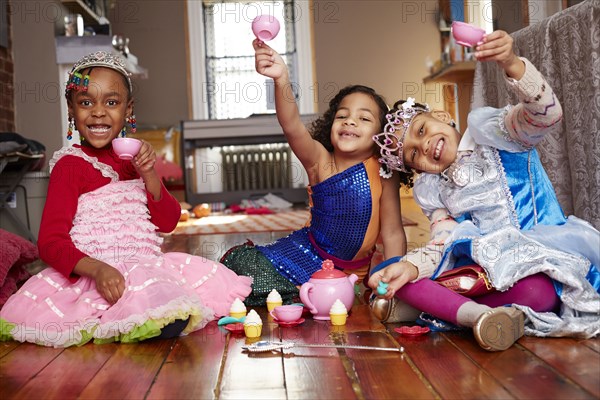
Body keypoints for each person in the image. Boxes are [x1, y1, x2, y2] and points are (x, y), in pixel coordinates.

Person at [0, 51, 252, 347]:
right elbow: (50, 243)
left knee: (175, 310)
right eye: (85, 102)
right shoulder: (70, 166)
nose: (98, 112)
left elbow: (168, 221)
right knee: (150, 316)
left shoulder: (133, 161)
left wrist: (149, 173)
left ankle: (135, 319)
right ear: (71, 110)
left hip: (144, 266)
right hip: (94, 273)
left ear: (128, 109)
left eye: (111, 102)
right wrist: (98, 270)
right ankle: (115, 320)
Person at [368, 30, 600, 351]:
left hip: (540, 259)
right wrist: (410, 267)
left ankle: (437, 307)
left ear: (442, 116)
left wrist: (512, 63)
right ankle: (479, 316)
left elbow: (547, 114)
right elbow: (442, 241)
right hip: (487, 267)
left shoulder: (493, 133)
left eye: (421, 131)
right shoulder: (434, 189)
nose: (424, 146)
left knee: (539, 293)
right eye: (414, 155)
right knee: (388, 273)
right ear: (417, 169)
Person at [220, 39, 407, 306]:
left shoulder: (384, 171)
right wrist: (281, 78)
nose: (350, 121)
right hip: (303, 255)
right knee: (243, 268)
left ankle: (311, 293)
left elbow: (392, 233)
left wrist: (394, 278)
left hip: (352, 272)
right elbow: (292, 125)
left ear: (379, 134)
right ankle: (302, 291)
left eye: (364, 118)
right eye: (342, 116)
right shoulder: (320, 160)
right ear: (332, 124)